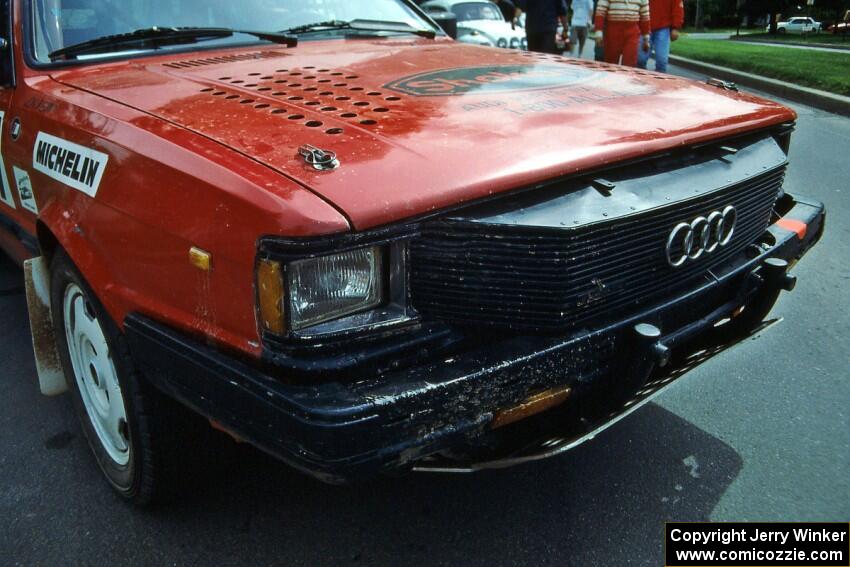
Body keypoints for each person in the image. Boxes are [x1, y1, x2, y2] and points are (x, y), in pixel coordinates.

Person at [594, 0, 650, 66]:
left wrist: (646, 38)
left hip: (632, 32)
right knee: (610, 63)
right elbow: (601, 11)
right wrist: (598, 32)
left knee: (630, 62)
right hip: (612, 31)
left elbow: (645, 15)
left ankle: (627, 75)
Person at [636, 0, 683, 72]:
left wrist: (675, 27)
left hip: (663, 28)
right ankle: (638, 81)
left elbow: (677, 6)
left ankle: (659, 82)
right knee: (640, 60)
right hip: (644, 26)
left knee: (662, 61)